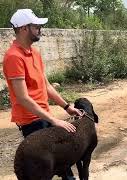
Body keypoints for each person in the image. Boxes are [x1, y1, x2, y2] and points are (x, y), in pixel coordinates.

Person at [3, 9, 82, 179]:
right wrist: (53, 120)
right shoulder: (14, 57)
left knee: (62, 158)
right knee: (42, 169)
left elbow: (46, 86)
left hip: (44, 116)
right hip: (31, 121)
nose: (40, 29)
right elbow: (23, 98)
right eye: (36, 26)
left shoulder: (35, 53)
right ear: (24, 28)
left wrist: (67, 107)